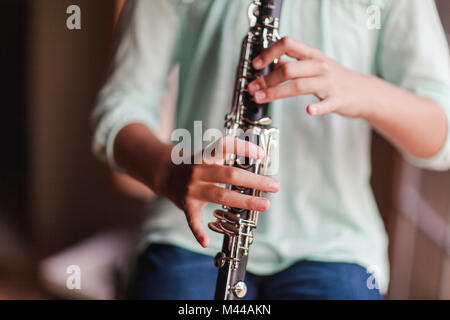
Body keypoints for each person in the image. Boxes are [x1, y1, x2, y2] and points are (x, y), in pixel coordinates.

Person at [92, 0, 450, 299]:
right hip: (190, 234)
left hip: (334, 245)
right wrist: (170, 171)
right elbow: (120, 109)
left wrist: (358, 89)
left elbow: (440, 135)